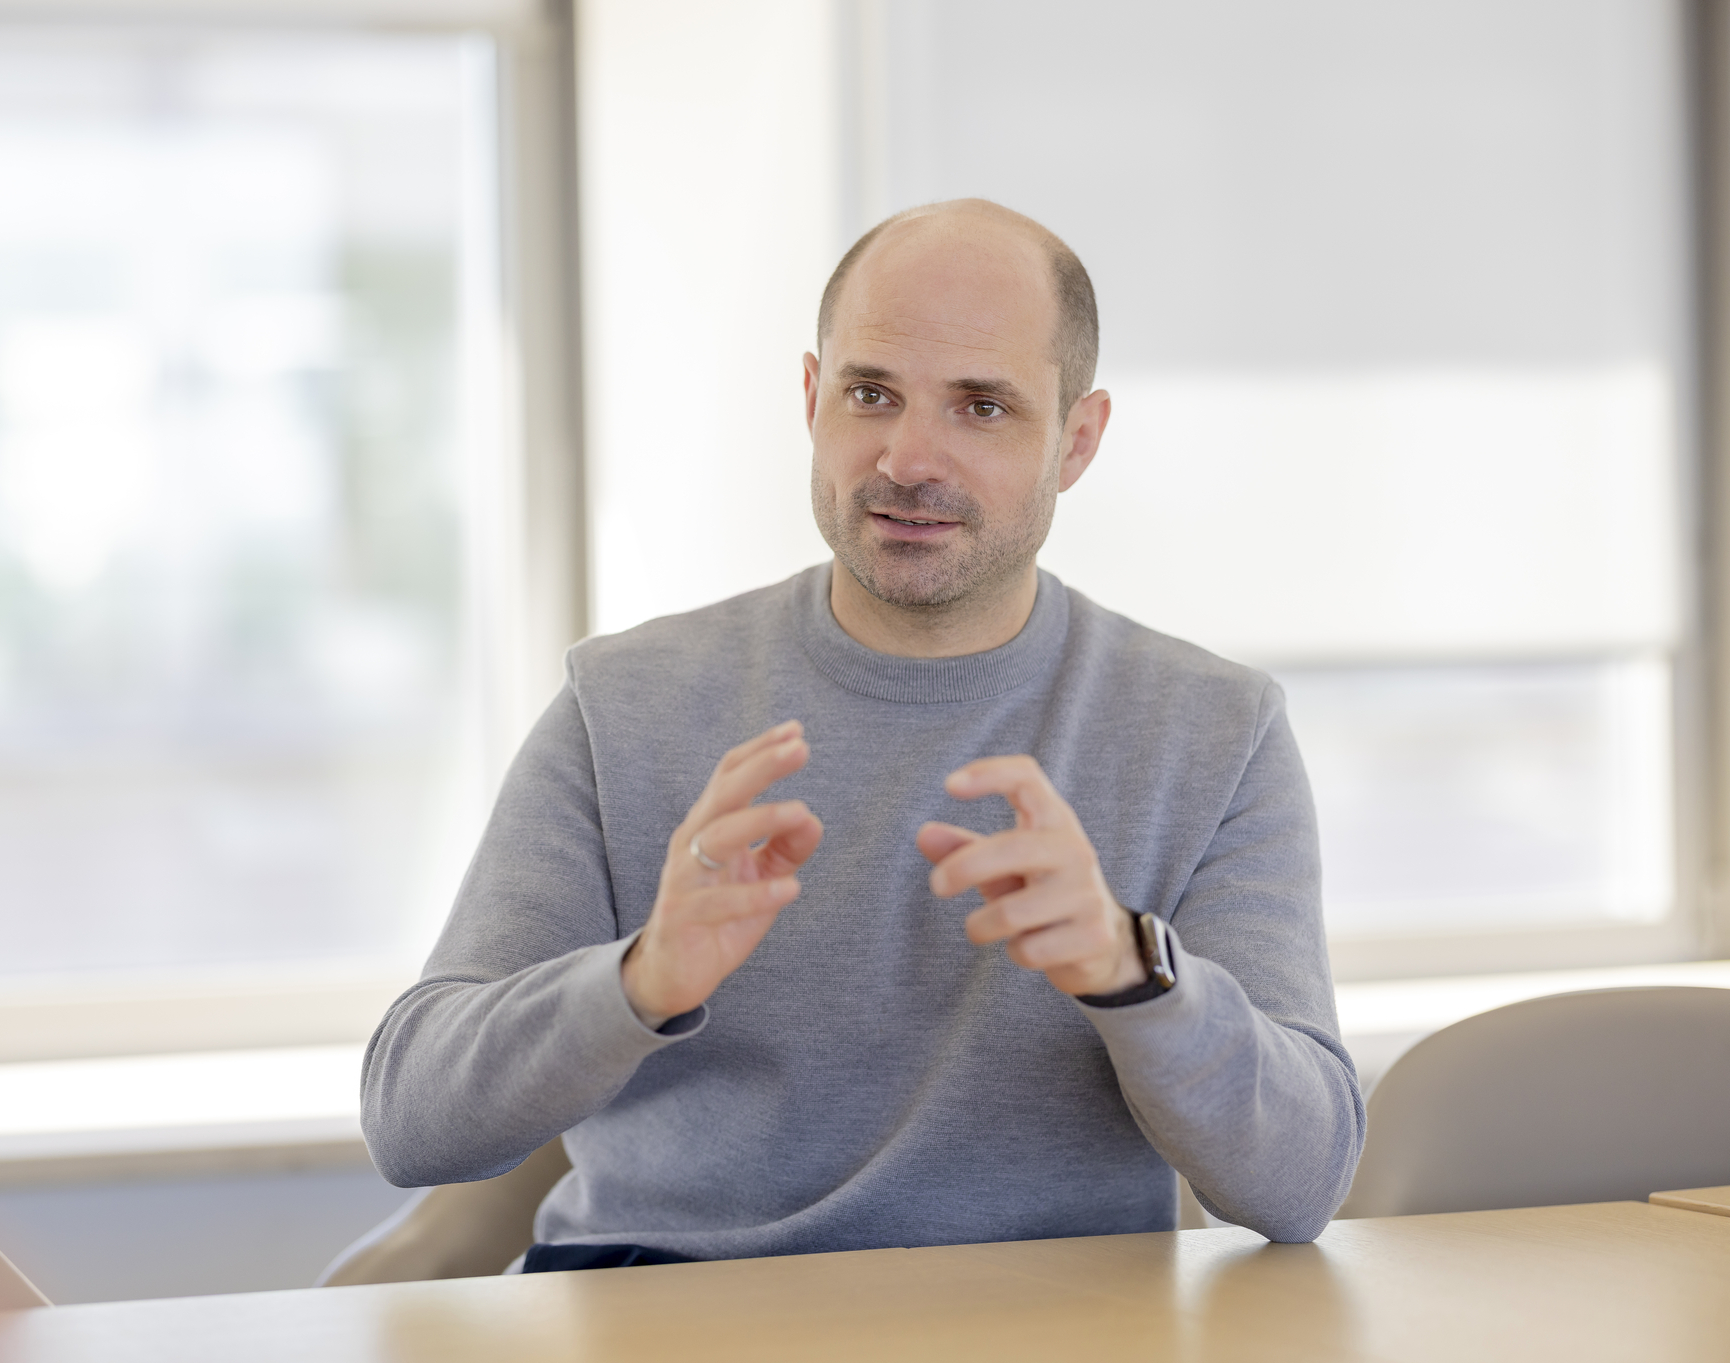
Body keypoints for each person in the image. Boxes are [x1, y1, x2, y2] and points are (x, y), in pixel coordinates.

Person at [361, 198, 1364, 1268]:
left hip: (1048, 1327)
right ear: (811, 399)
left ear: (1075, 441)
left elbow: (1300, 1184)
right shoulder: (623, 703)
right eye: (871, 394)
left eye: (981, 407)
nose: (907, 458)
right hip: (664, 1314)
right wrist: (640, 980)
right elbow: (414, 1123)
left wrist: (1135, 975)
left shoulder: (1215, 731)